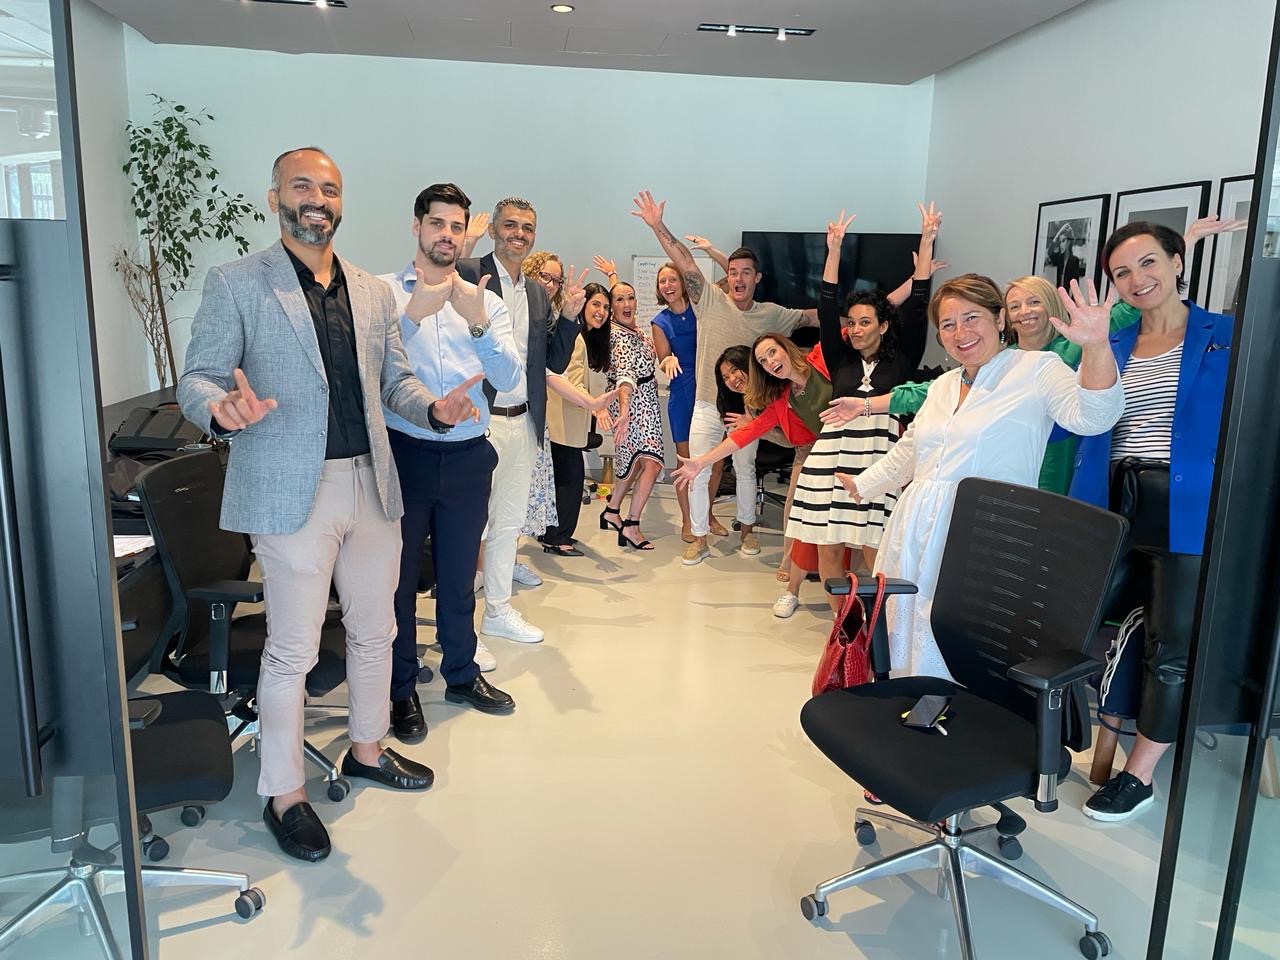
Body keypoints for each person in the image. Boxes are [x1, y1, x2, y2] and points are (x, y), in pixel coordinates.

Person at [178, 148, 475, 862]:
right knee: (295, 648)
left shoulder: (370, 291)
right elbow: (198, 377)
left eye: (330, 188)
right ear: (275, 196)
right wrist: (220, 409)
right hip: (291, 491)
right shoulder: (237, 282)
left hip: (371, 483)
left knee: (377, 630)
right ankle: (284, 794)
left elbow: (393, 382)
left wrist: (433, 409)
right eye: (303, 185)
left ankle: (366, 749)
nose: (318, 198)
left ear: (342, 202)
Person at [835, 273, 1123, 680]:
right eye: (948, 324)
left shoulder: (1036, 368)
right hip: (916, 528)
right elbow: (913, 448)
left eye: (972, 318)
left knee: (966, 637)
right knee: (907, 627)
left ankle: (955, 706)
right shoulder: (943, 385)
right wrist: (864, 484)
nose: (960, 333)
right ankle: (912, 697)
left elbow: (1094, 417)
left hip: (986, 529)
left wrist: (1095, 346)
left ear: (999, 319)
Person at [1069, 222, 1234, 823]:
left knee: (1170, 646)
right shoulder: (1109, 341)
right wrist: (1091, 348)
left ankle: (1138, 776)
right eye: (1122, 272)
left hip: (1187, 508)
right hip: (1111, 500)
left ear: (1176, 261)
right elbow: (1078, 419)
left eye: (1148, 263)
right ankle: (1053, 734)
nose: (1137, 279)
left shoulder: (1226, 336)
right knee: (1067, 620)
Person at [379, 182, 525, 746]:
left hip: (468, 456)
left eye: (457, 226)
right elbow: (368, 367)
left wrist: (478, 322)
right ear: (416, 226)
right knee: (397, 583)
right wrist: (413, 316)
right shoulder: (383, 294)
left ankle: (461, 673)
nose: (447, 234)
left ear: (466, 234)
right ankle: (400, 688)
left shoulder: (485, 301)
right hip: (404, 453)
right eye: (437, 223)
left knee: (461, 575)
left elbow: (509, 379)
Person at [630, 190, 817, 565]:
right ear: (726, 277)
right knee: (697, 470)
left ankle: (747, 531)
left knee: (746, 470)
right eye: (732, 272)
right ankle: (698, 537)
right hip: (705, 403)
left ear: (756, 278)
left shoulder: (772, 314)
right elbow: (684, 261)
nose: (738, 278)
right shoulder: (710, 300)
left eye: (745, 272)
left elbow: (813, 316)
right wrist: (657, 226)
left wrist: (870, 315)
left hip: (747, 408)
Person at [785, 205, 936, 608]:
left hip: (881, 458)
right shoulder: (840, 358)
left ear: (883, 325)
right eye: (851, 322)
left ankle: (880, 625)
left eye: (864, 322)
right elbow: (826, 304)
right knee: (830, 546)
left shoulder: (903, 357)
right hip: (831, 458)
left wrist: (926, 241)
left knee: (877, 547)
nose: (854, 329)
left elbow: (920, 303)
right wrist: (833, 250)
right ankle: (843, 622)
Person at [458, 198, 582, 644]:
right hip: (478, 421)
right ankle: (459, 627)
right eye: (510, 225)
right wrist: (463, 246)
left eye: (527, 228)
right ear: (494, 230)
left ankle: (497, 610)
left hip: (523, 422)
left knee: (508, 524)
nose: (519, 234)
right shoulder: (469, 272)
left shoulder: (536, 293)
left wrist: (569, 318)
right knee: (469, 526)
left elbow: (549, 361)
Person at [673, 335, 828, 606]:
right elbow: (750, 435)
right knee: (794, 507)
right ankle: (792, 573)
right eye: (763, 361)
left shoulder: (816, 363)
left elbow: (838, 334)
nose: (770, 362)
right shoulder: (775, 399)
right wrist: (701, 462)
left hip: (840, 441)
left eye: (772, 354)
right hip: (806, 449)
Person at [588, 281, 665, 549]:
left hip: (646, 401)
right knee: (651, 463)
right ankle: (631, 525)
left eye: (630, 297)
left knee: (633, 463)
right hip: (633, 404)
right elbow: (624, 378)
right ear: (612, 308)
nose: (627, 304)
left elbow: (619, 295)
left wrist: (612, 276)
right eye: (619, 300)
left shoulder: (629, 327)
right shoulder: (619, 338)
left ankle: (612, 511)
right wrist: (624, 412)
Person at [541, 282, 610, 555]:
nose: (601, 311)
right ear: (582, 305)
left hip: (568, 422)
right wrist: (595, 406)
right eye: (596, 304)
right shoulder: (577, 339)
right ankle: (556, 538)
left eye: (606, 307)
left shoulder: (586, 338)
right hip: (562, 421)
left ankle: (553, 533)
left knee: (563, 479)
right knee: (570, 481)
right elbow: (570, 380)